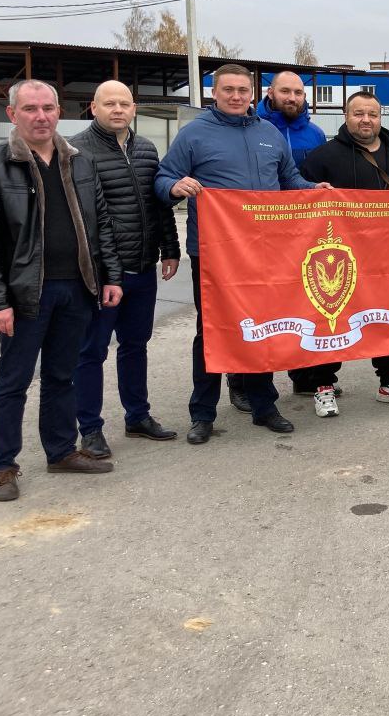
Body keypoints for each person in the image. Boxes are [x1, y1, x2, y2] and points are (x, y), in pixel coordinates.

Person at [0, 80, 123, 501]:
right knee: (12, 381)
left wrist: (111, 277)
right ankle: (2, 466)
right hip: (25, 294)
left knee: (61, 375)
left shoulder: (80, 162)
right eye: (30, 109)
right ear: (12, 114)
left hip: (77, 288)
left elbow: (101, 225)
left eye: (48, 108)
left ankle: (61, 451)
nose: (41, 117)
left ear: (59, 112)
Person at [154, 64, 315, 445]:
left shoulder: (268, 132)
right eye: (228, 89)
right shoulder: (194, 134)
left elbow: (290, 180)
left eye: (243, 90)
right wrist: (174, 186)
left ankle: (264, 406)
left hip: (265, 252)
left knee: (263, 327)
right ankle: (202, 414)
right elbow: (163, 177)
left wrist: (316, 190)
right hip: (215, 254)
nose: (236, 96)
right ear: (215, 93)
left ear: (253, 93)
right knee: (212, 332)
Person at [296, 91, 389, 416]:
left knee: (384, 319)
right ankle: (323, 385)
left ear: (380, 118)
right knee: (331, 319)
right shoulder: (322, 158)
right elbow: (298, 203)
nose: (366, 120)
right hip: (339, 259)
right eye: (358, 114)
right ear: (346, 116)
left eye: (372, 115)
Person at [70, 80, 182, 457]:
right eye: (109, 103)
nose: (118, 109)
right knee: (91, 352)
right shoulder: (78, 151)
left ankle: (137, 416)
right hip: (102, 276)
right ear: (94, 107)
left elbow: (159, 204)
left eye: (124, 103)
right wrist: (109, 272)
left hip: (143, 268)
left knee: (135, 346)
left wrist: (170, 249)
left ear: (134, 109)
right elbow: (87, 221)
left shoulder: (146, 149)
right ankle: (90, 429)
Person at [231, 69, 329, 402]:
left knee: (300, 305)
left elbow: (304, 179)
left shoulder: (315, 134)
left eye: (298, 93)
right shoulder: (252, 128)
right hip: (253, 234)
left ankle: (303, 376)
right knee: (251, 310)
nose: (292, 98)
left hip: (300, 234)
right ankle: (242, 383)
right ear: (270, 93)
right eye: (285, 91)